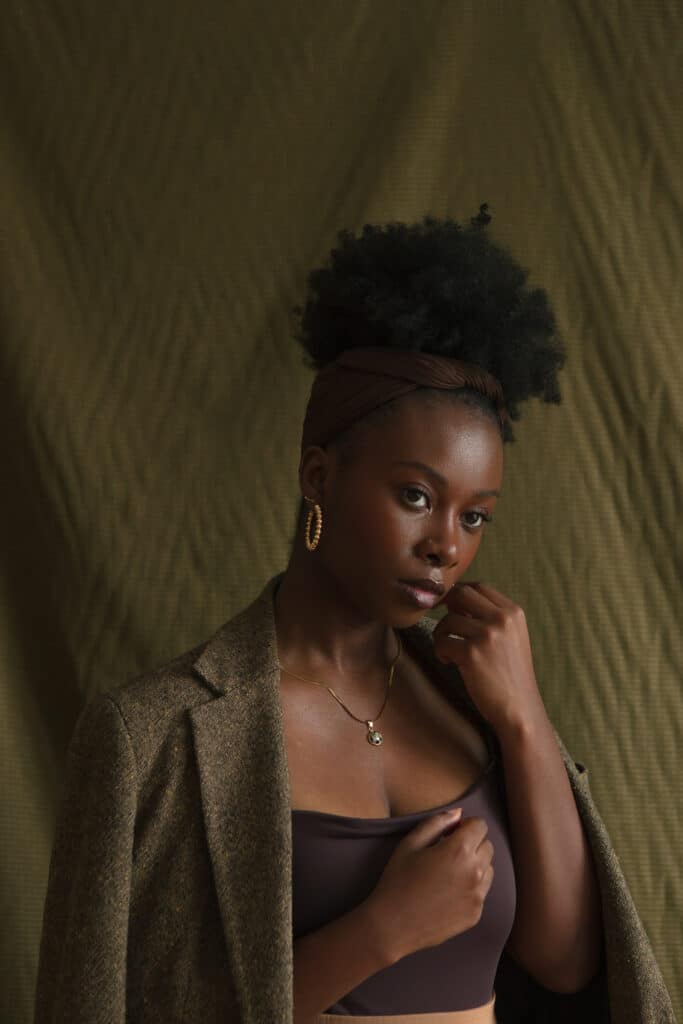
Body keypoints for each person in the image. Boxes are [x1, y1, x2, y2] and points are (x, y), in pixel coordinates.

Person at [33, 207, 675, 1023]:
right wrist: (381, 932)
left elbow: (566, 960)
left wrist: (523, 719)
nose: (444, 545)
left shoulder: (467, 701)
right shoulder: (150, 739)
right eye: (415, 496)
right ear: (317, 476)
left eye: (474, 516)